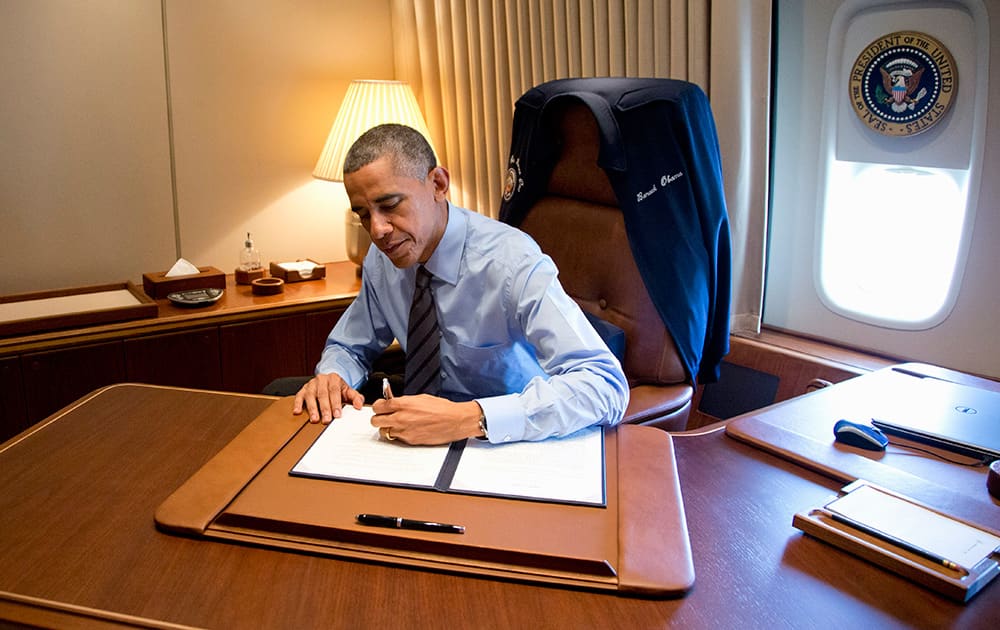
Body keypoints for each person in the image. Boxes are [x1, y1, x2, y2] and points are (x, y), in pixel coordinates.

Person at [293, 123, 628, 445]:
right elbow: (350, 345)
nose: (377, 230)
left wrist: (471, 418)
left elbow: (605, 385)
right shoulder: (385, 258)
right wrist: (333, 377)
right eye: (363, 214)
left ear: (438, 184)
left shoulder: (512, 263)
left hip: (504, 436)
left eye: (390, 205)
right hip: (416, 429)